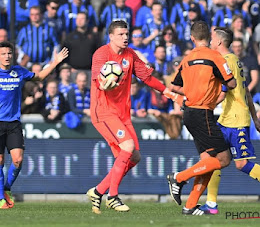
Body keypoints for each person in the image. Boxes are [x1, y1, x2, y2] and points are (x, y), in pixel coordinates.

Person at [0, 41, 69, 209]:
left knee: (18, 160)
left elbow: (39, 77)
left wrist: (55, 62)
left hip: (13, 123)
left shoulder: (19, 72)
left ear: (13, 55)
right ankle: (0, 200)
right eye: (3, 54)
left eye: (9, 53)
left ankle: (6, 188)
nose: (7, 56)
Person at [86, 20, 174, 214]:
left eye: (127, 34)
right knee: (127, 147)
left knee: (134, 157)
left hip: (122, 114)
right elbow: (98, 79)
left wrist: (169, 92)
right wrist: (104, 83)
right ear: (111, 36)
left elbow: (148, 78)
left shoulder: (131, 55)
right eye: (121, 34)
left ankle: (98, 191)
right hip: (103, 111)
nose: (125, 37)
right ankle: (113, 196)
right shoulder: (101, 54)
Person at [167, 21, 237, 215]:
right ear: (210, 38)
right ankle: (179, 177)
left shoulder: (187, 59)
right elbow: (231, 83)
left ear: (192, 38)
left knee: (207, 161)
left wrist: (190, 91)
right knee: (223, 159)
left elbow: (173, 86)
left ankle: (190, 206)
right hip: (203, 113)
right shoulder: (215, 56)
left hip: (189, 112)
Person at [199, 27, 260, 214]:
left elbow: (224, 92)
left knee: (242, 164)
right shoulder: (236, 60)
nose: (210, 42)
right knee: (215, 159)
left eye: (212, 39)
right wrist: (255, 118)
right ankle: (211, 204)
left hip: (236, 120)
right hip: (227, 118)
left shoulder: (226, 61)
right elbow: (246, 90)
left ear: (218, 42)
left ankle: (210, 203)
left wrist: (203, 105)